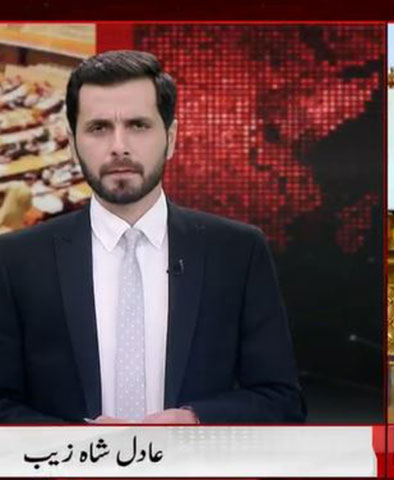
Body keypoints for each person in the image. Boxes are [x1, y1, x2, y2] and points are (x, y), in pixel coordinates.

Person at [0, 50, 306, 424]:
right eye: (98, 128)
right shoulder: (16, 261)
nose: (119, 146)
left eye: (138, 125)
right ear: (72, 141)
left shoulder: (237, 252)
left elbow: (281, 401)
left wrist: (195, 420)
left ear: (171, 138)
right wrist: (78, 443)